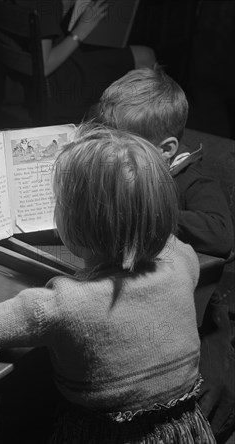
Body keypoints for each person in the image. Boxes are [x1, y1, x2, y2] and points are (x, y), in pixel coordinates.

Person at [0, 125, 216, 443]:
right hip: (183, 432)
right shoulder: (182, 262)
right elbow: (170, 244)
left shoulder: (63, 304)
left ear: (73, 225)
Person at [95, 66, 235, 442]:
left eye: (123, 145)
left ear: (166, 149)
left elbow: (222, 235)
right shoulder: (126, 167)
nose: (112, 153)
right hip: (136, 295)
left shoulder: (193, 180)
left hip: (196, 314)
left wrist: (155, 210)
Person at [0, 0, 156, 122]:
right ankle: (144, 123)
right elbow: (45, 65)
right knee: (145, 58)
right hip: (57, 89)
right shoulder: (46, 4)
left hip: (19, 88)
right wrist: (82, 29)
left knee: (144, 54)